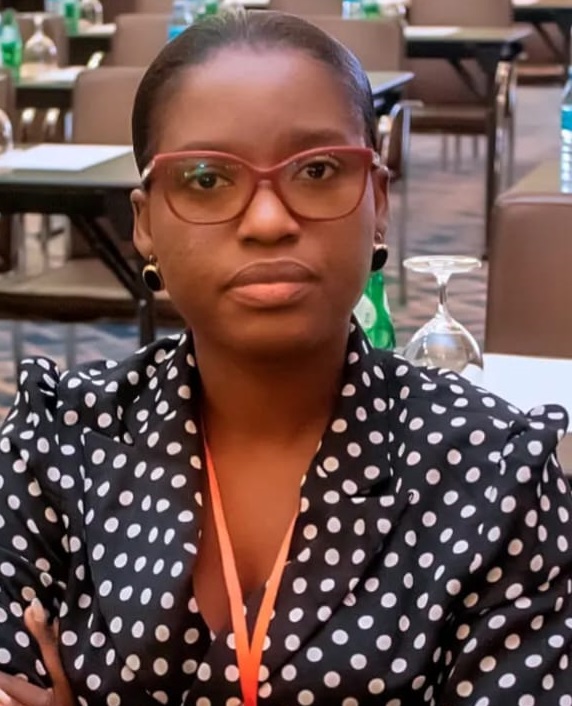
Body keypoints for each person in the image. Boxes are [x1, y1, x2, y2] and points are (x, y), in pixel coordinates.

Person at [0, 9, 570, 706]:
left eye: (318, 170)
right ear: (144, 223)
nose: (269, 221)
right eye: (206, 178)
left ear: (378, 199)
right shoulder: (57, 440)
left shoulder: (494, 474)